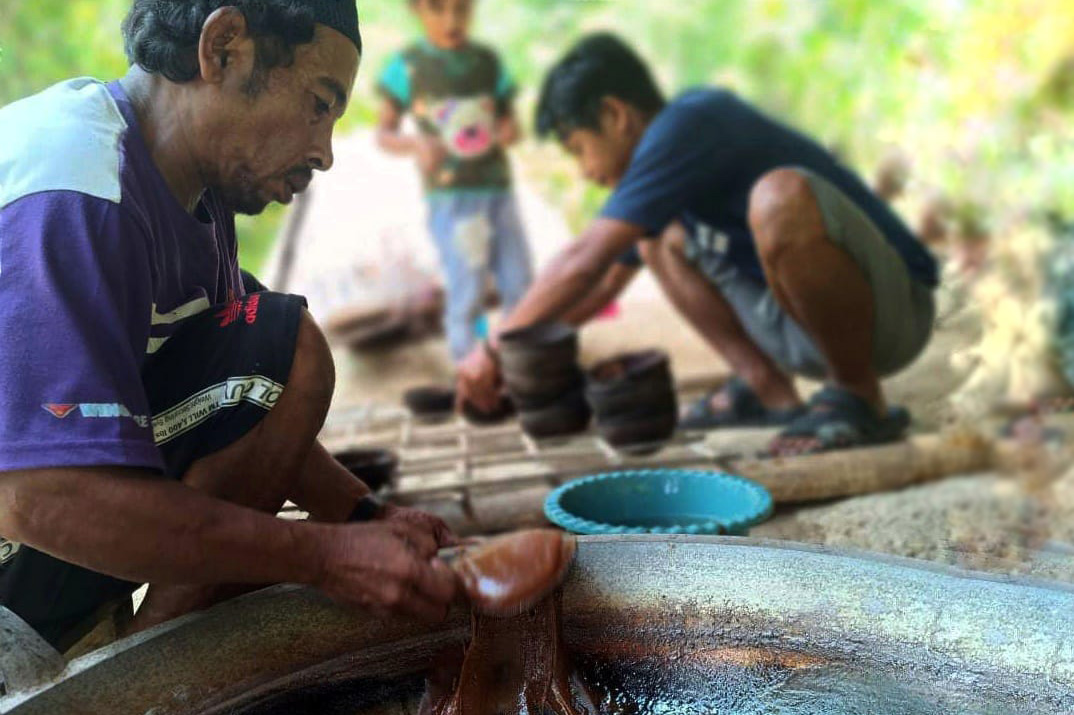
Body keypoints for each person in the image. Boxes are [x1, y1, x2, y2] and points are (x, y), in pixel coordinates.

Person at [0, 0, 457, 653]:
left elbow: (254, 392)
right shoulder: (77, 192)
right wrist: (326, 556)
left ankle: (137, 660)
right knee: (286, 345)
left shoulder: (195, 194)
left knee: (277, 348)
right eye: (319, 103)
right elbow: (38, 497)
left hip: (33, 543)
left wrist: (363, 516)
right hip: (22, 537)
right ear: (223, 49)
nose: (325, 151)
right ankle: (130, 681)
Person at [457, 33, 939, 455]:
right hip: (804, 327)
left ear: (614, 113)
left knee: (780, 197)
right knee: (657, 242)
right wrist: (522, 352)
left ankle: (858, 394)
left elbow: (583, 261)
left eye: (579, 148)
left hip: (893, 313)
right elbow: (601, 285)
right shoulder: (659, 179)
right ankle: (769, 391)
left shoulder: (694, 120)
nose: (584, 170)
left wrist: (495, 345)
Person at [376, 0, 533, 364]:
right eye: (438, 9)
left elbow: (511, 124)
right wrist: (416, 144)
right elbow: (384, 134)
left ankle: (522, 359)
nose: (452, 20)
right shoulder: (408, 66)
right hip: (452, 197)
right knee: (467, 286)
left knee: (518, 279)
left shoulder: (487, 62)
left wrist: (506, 131)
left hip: (498, 189)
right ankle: (472, 367)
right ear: (416, 9)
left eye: (462, 9)